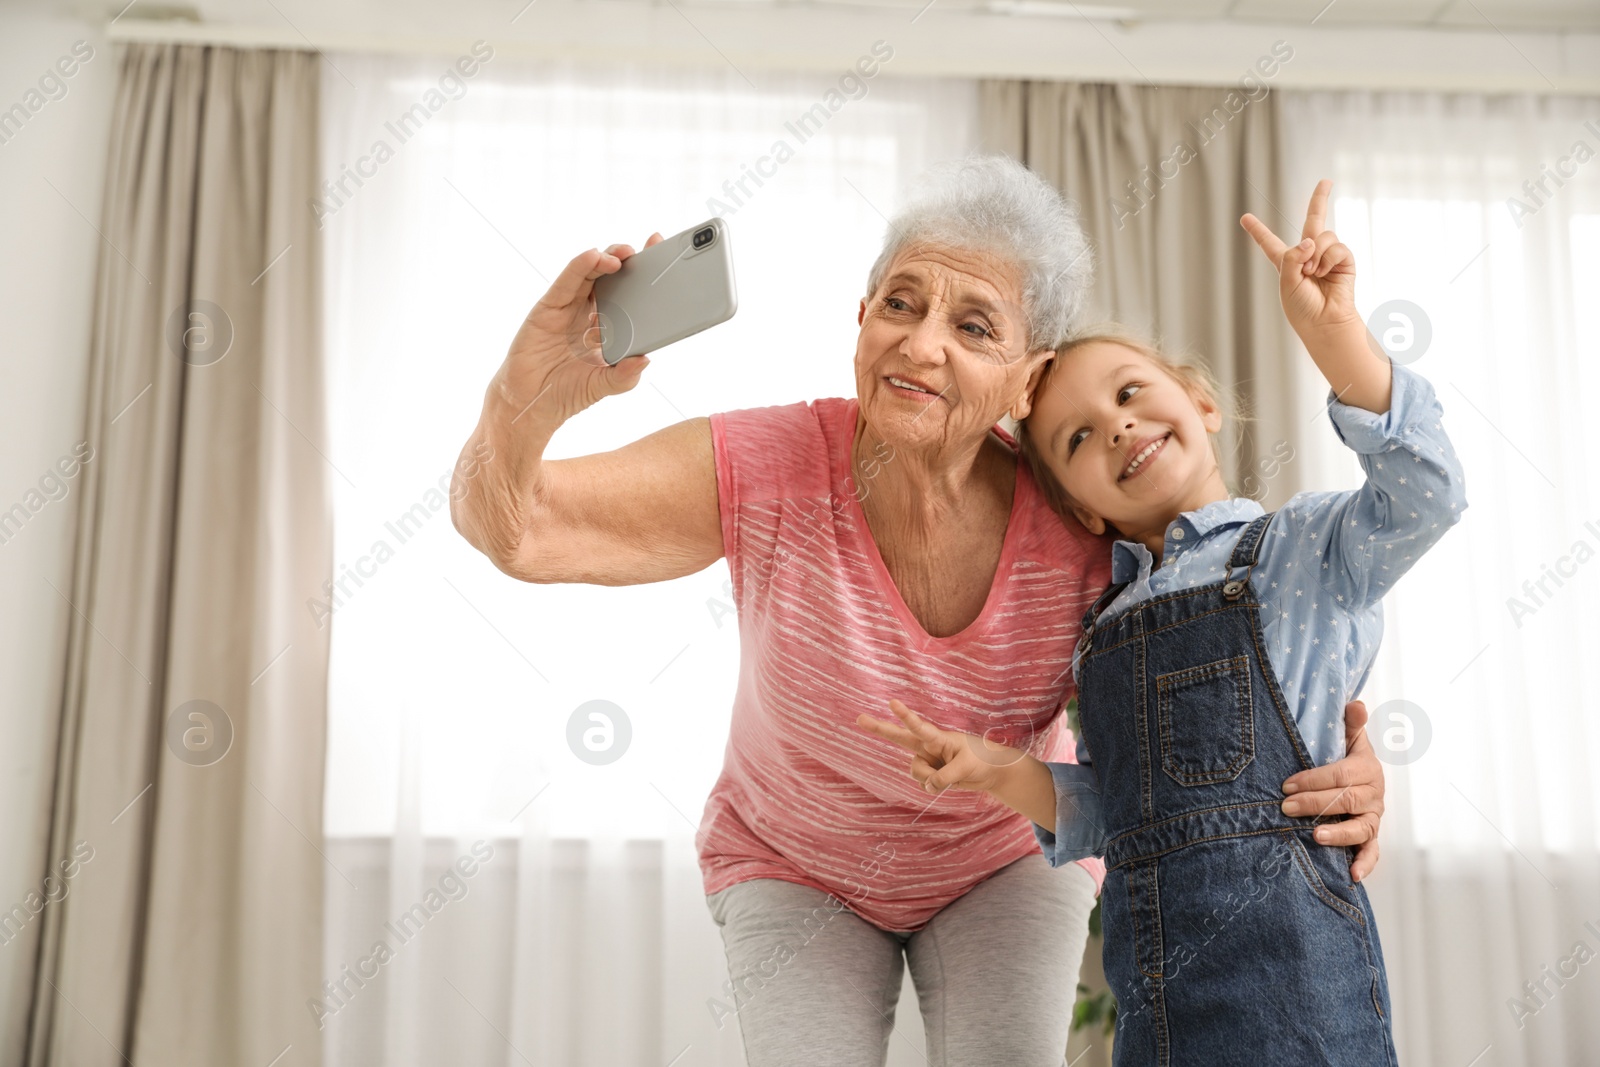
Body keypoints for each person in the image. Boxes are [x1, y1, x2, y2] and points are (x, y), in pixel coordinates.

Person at [449, 157, 1390, 1067]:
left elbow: (1256, 633)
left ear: (1028, 381)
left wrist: (1345, 760)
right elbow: (513, 528)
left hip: (1002, 854)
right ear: (860, 321)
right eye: (900, 303)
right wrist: (525, 395)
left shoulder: (1085, 526)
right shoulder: (768, 464)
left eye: (975, 325)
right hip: (794, 856)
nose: (921, 341)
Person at [858, 180, 1465, 1064]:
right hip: (1159, 1012)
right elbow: (1120, 811)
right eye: (1076, 439)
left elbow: (1428, 493)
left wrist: (1336, 339)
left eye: (1132, 392)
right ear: (1085, 512)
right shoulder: (1100, 634)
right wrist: (995, 769)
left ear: (1200, 404)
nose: (1116, 426)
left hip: (1299, 989)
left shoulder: (1300, 550)